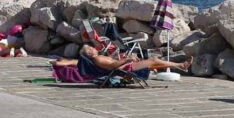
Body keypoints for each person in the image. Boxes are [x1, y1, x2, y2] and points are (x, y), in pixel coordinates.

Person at [54, 45, 192, 75]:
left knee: (154, 62)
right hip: (125, 69)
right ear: (89, 53)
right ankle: (180, 65)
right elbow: (112, 66)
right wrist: (127, 59)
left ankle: (179, 65)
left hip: (125, 66)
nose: (93, 47)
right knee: (153, 60)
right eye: (90, 48)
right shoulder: (97, 60)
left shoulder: (97, 58)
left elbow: (73, 62)